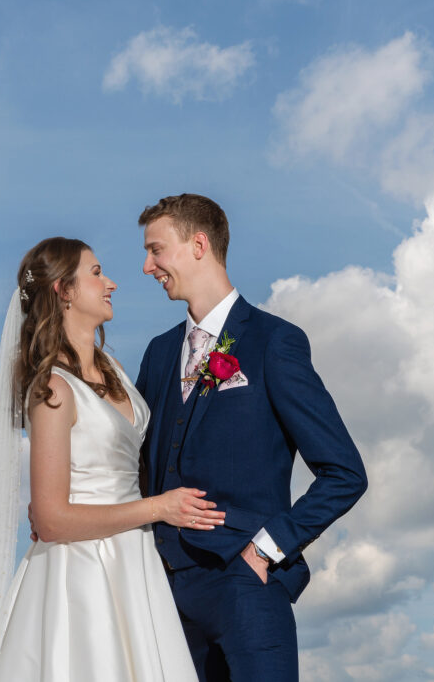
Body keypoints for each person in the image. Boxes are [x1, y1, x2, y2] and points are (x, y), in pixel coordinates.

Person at [0, 237, 220, 682]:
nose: (111, 283)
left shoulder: (114, 371)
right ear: (64, 290)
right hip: (82, 570)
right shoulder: (53, 390)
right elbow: (53, 518)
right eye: (96, 273)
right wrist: (159, 508)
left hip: (135, 561)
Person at [136, 194, 368, 681]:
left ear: (198, 245)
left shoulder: (273, 341)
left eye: (156, 250)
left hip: (245, 582)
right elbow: (137, 470)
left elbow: (344, 472)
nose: (146, 266)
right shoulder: (157, 355)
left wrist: (265, 549)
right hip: (161, 595)